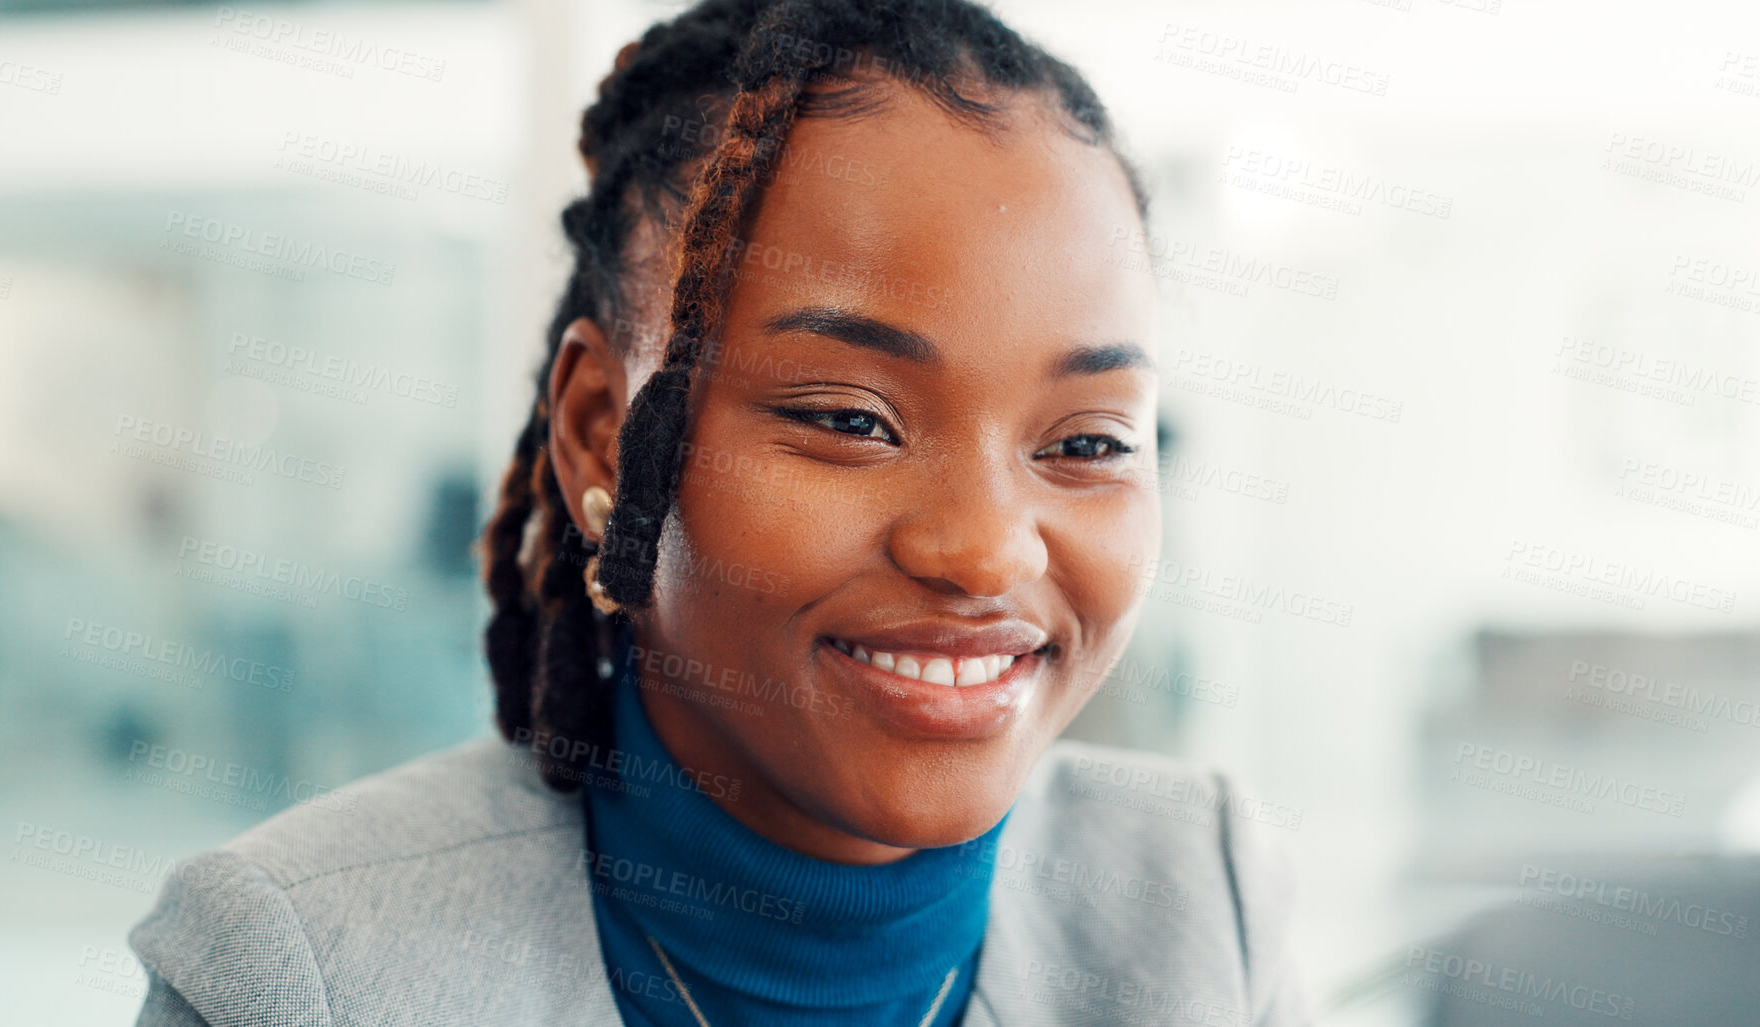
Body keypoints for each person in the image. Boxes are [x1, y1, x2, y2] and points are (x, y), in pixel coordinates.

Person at [128, 1, 1309, 1023]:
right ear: (602, 432)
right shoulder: (308, 968)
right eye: (850, 419)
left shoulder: (1200, 895)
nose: (985, 549)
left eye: (1088, 442)